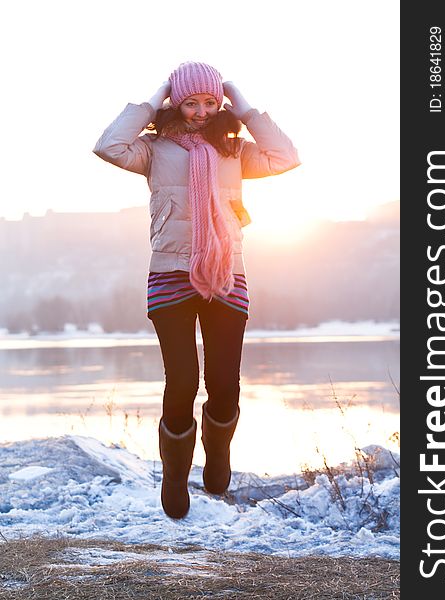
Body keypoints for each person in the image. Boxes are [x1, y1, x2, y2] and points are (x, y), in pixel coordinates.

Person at [93, 61, 300, 519]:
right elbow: (108, 146)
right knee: (182, 381)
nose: (202, 111)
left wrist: (246, 109)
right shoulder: (153, 150)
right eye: (191, 102)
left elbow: (286, 157)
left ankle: (219, 451)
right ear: (175, 102)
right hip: (170, 274)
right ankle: (174, 471)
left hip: (227, 276)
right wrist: (151, 99)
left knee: (224, 383)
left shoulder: (235, 150)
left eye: (210, 102)